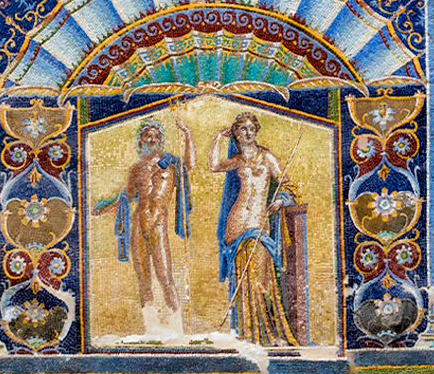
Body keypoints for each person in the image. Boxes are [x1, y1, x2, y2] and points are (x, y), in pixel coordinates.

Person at [209, 111, 300, 346]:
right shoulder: (237, 160)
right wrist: (218, 138)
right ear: (236, 134)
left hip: (259, 222)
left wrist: (280, 201)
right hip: (237, 223)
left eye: (251, 128)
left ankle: (266, 333)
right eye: (242, 129)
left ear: (256, 130)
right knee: (243, 279)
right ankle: (248, 333)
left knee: (260, 279)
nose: (248, 133)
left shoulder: (267, 158)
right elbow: (214, 166)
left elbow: (288, 184)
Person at [93, 116, 194, 316]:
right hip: (138, 224)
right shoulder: (137, 170)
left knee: (165, 277)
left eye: (156, 137)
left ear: (161, 140)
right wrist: (99, 210)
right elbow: (126, 199)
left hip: (157, 223)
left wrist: (188, 134)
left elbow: (189, 165)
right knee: (143, 279)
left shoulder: (170, 164)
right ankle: (151, 325)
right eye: (148, 136)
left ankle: (176, 324)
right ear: (141, 141)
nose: (152, 140)